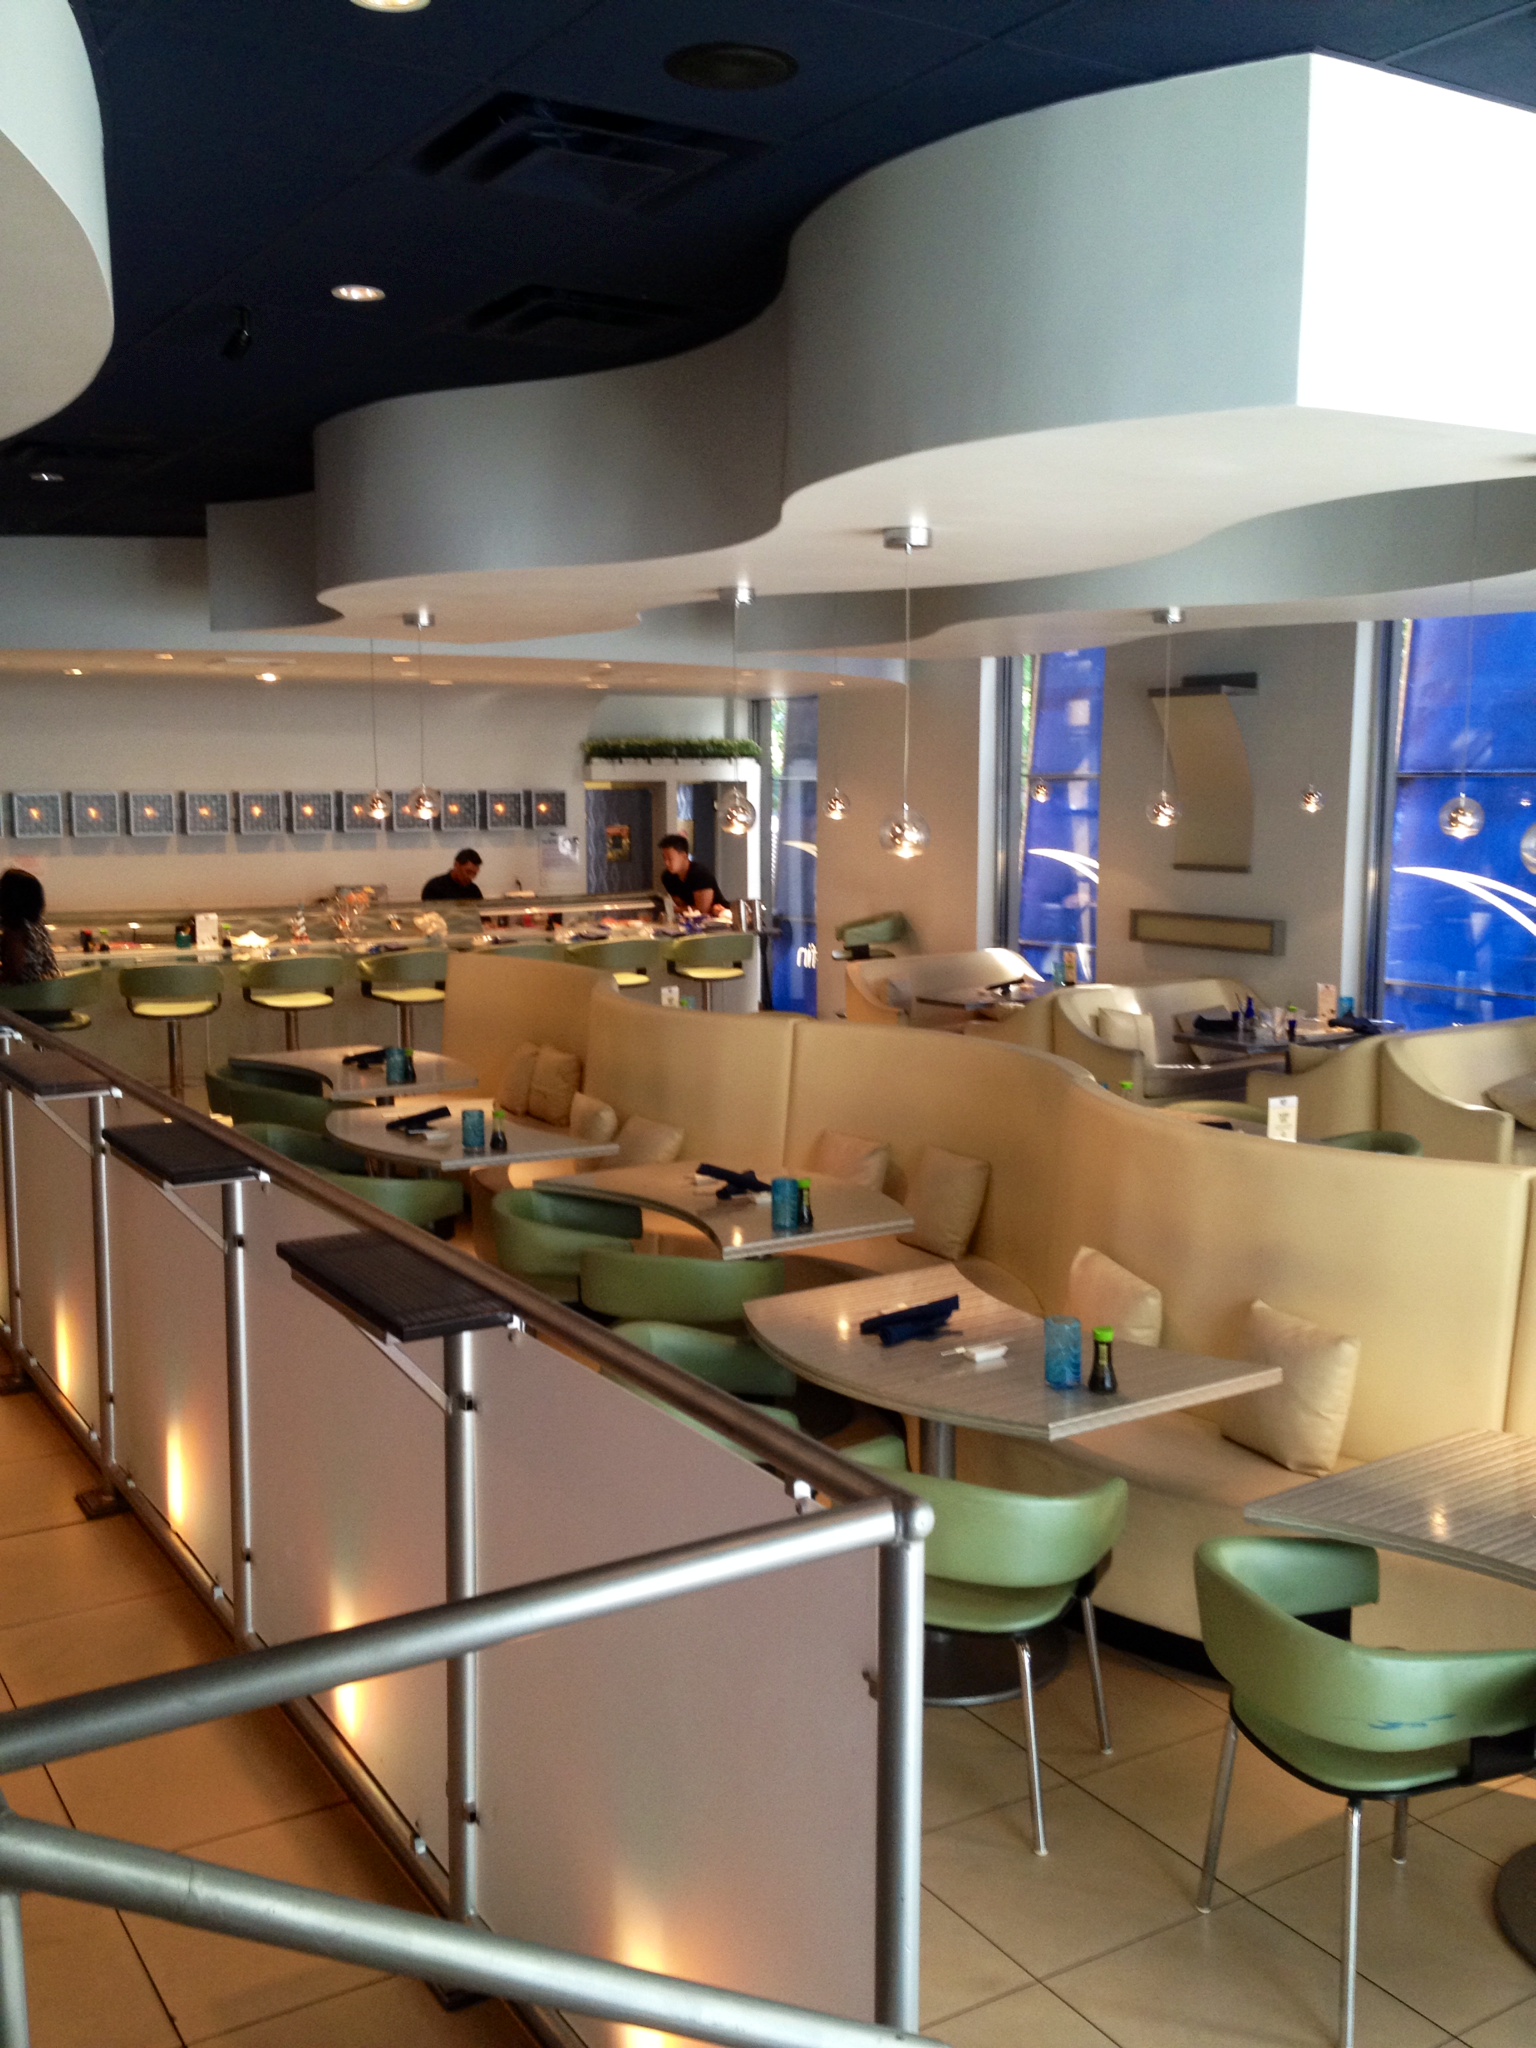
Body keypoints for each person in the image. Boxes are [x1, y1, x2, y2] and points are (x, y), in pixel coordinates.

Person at [0, 868, 58, 983]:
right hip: (47, 986)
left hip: (27, 990)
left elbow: (17, 970)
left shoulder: (16, 929)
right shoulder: (38, 924)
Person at [657, 833, 722, 914]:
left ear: (684, 856)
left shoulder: (700, 875)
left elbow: (702, 910)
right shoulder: (667, 877)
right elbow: (682, 905)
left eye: (670, 859)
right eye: (664, 858)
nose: (666, 863)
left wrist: (675, 910)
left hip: (720, 917)